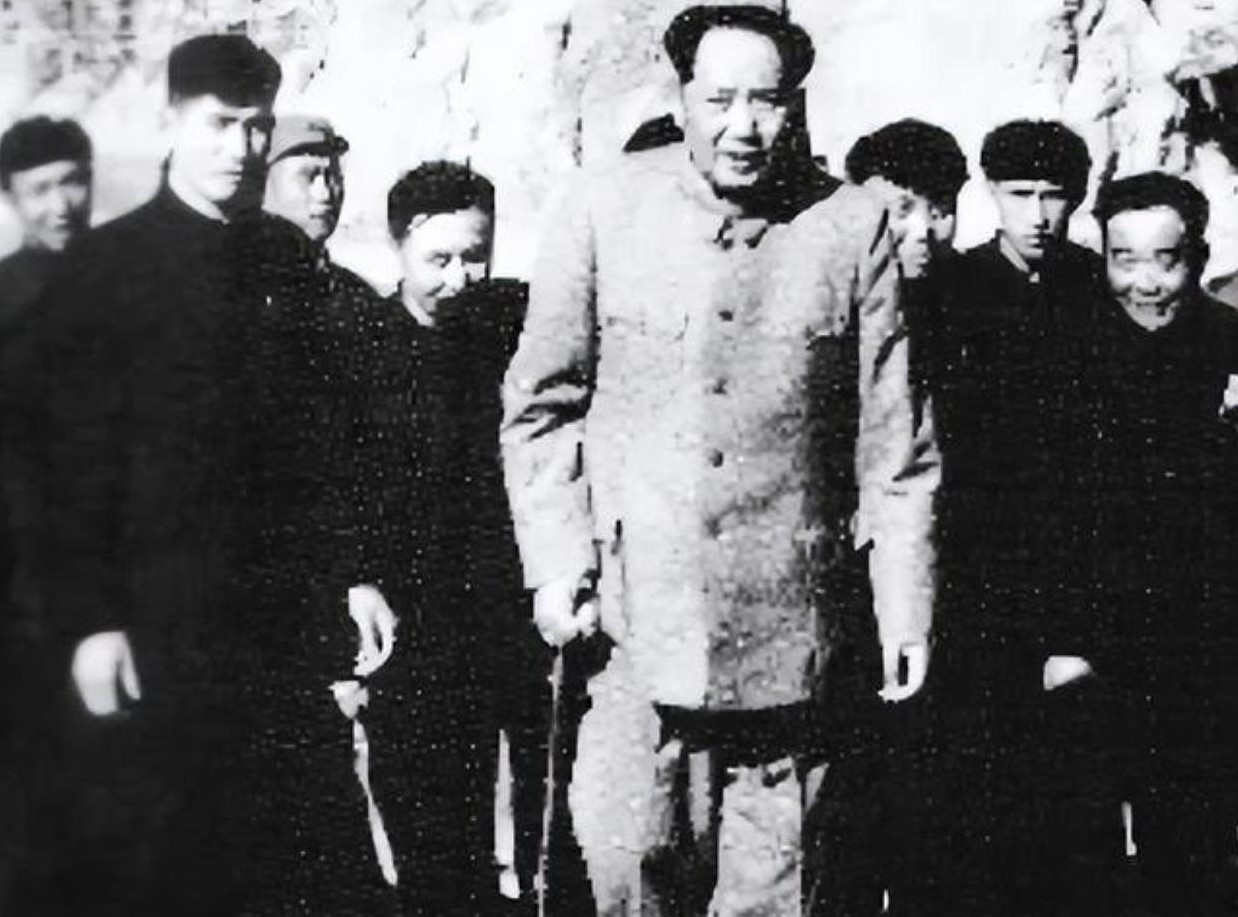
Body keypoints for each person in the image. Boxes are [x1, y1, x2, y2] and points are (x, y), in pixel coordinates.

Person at [501, 6, 938, 916]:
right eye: (720, 99)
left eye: (767, 101)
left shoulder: (851, 226)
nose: (744, 125)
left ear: (796, 106)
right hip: (635, 632)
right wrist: (557, 562)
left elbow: (895, 446)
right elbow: (541, 410)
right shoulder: (602, 207)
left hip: (794, 647)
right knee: (628, 872)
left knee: (781, 896)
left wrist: (905, 607)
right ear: (682, 97)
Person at [26, 34, 387, 917]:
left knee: (310, 870)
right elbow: (69, 469)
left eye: (257, 127)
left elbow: (323, 443)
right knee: (171, 868)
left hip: (282, 632)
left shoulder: (286, 261)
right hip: (159, 627)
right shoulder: (104, 270)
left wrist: (355, 573)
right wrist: (92, 622)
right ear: (172, 123)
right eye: (220, 125)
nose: (242, 148)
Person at [342, 160, 534, 917]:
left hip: (512, 612)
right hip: (415, 629)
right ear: (399, 247)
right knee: (436, 842)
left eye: (475, 256)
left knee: (546, 818)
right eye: (439, 259)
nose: (460, 278)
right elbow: (334, 485)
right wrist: (358, 579)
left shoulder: (512, 322)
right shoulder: (361, 346)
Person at [928, 119, 1107, 915]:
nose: (1037, 215)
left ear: (1080, 197)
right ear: (989, 193)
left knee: (1069, 801)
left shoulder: (1097, 289)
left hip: (1072, 574)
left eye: (1054, 196)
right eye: (1020, 194)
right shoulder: (952, 289)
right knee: (971, 793)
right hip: (973, 577)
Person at [1073, 171, 1238, 916]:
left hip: (1206, 642)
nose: (1144, 282)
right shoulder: (1067, 349)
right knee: (1082, 847)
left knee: (1195, 840)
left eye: (1164, 261)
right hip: (1094, 642)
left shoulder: (1228, 341)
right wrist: (1064, 639)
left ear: (1197, 258)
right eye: (1124, 259)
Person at [0, 114, 92, 913]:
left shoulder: (124, 283)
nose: (61, 203)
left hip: (110, 576)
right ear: (12, 199)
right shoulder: (5, 298)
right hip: (21, 584)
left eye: (72, 182)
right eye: (40, 189)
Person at [263, 113, 377, 303]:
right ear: (263, 184)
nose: (325, 194)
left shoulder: (356, 295)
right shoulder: (234, 280)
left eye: (333, 177)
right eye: (307, 176)